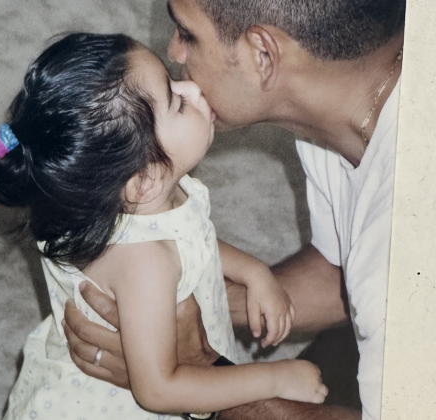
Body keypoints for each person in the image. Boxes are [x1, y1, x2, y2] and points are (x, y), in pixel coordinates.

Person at [62, 1, 406, 419]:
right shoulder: (339, 99)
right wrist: (162, 307)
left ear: (263, 56)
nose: (173, 52)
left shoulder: (397, 250)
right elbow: (340, 274)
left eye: (187, 34)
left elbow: (370, 278)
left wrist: (201, 368)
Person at [0, 33, 329, 420]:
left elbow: (192, 237)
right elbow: (159, 389)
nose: (193, 89)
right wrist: (273, 379)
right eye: (176, 102)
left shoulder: (141, 198)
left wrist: (253, 271)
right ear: (145, 180)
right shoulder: (145, 262)